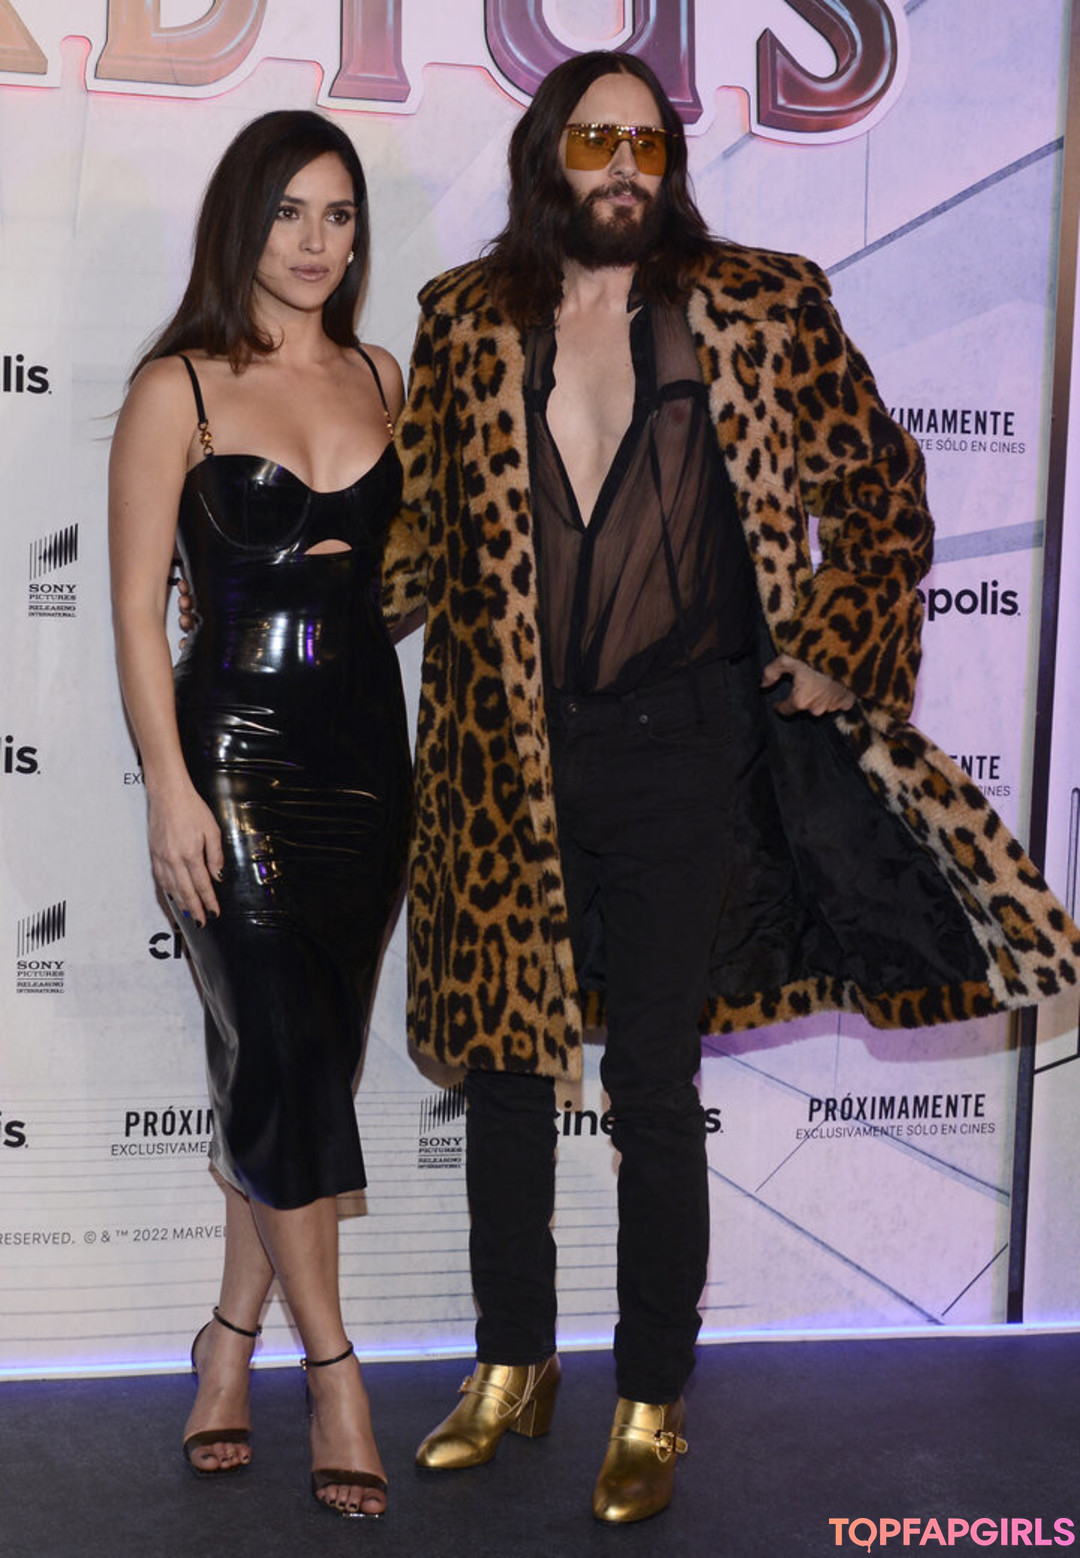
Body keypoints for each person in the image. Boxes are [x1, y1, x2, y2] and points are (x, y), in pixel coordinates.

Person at [381, 50, 1080, 1523]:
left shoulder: (759, 303)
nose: (626, 166)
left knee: (649, 1078)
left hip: (686, 745)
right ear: (548, 155)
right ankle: (511, 1364)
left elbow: (880, 489)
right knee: (505, 1072)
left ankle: (651, 1396)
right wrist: (274, 596)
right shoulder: (462, 320)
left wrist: (838, 644)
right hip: (506, 746)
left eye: (650, 142)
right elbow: (420, 541)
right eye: (597, 140)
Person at [109, 110, 409, 1518]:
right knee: (284, 1051)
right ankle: (334, 1371)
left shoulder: (383, 373)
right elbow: (133, 610)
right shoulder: (176, 386)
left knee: (296, 1072)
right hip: (230, 757)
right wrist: (169, 787)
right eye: (290, 211)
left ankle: (226, 1340)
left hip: (370, 764)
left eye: (339, 215)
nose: (315, 241)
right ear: (242, 220)